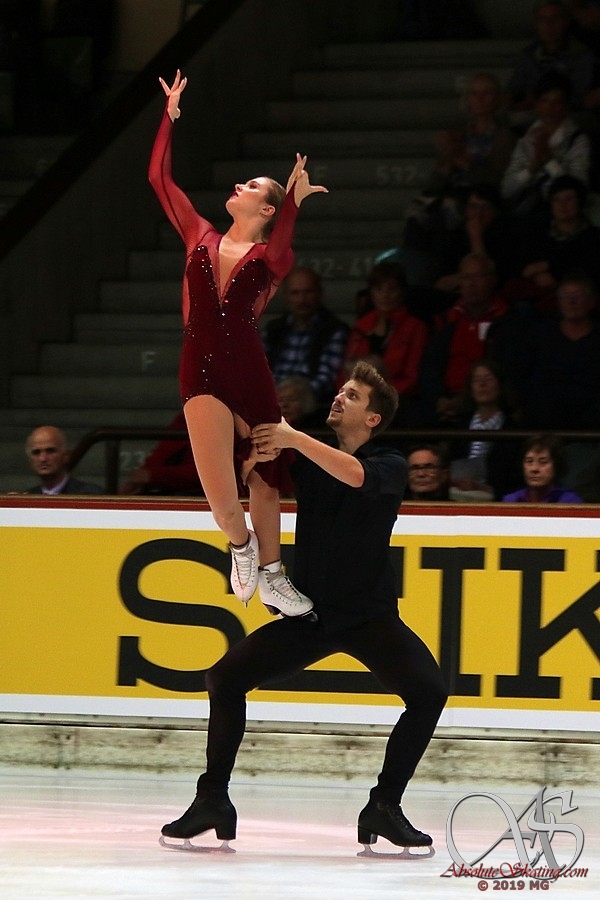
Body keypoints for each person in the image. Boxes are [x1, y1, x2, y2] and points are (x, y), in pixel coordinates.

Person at [160, 361, 448, 852]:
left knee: (429, 693)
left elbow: (354, 475)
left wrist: (293, 439)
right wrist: (252, 460)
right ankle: (212, 800)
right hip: (308, 614)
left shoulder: (390, 463)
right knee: (224, 679)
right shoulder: (307, 458)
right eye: (341, 390)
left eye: (352, 396)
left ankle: (383, 806)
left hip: (369, 618)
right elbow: (261, 483)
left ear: (373, 418)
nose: (339, 397)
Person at [148, 70, 327, 618]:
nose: (239, 186)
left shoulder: (272, 259)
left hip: (248, 370)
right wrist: (169, 118)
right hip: (199, 369)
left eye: (251, 187)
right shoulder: (198, 235)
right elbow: (159, 179)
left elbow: (285, 240)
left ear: (266, 210)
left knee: (266, 475)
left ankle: (273, 577)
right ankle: (241, 546)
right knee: (224, 500)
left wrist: (293, 201)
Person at [418, 253, 513, 425]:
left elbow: (508, 370)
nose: (471, 284)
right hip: (445, 403)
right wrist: (438, 399)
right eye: (466, 278)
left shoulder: (509, 321)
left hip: (487, 403)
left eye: (478, 277)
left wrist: (465, 400)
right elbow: (430, 368)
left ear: (492, 280)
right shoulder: (446, 321)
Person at [338, 261, 429, 425]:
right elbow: (345, 371)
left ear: (402, 292)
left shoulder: (415, 327)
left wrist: (381, 397)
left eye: (392, 289)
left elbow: (412, 377)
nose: (385, 295)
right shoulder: (361, 326)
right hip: (358, 402)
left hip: (398, 403)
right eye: (379, 289)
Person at [501, 71, 591, 221]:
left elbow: (579, 191)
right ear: (536, 104)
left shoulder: (577, 140)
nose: (550, 108)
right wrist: (532, 168)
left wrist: (549, 161)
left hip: (563, 215)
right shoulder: (526, 140)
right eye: (545, 101)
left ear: (566, 105)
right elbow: (506, 189)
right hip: (529, 215)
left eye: (557, 102)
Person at [517, 272, 600, 428]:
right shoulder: (540, 335)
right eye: (565, 296)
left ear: (591, 301)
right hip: (546, 425)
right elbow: (524, 377)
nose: (571, 301)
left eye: (578, 296)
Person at [261, 266, 349, 406]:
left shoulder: (334, 330)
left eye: (308, 292)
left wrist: (295, 397)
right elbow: (259, 370)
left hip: (312, 405)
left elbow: (327, 378)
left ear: (319, 293)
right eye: (295, 293)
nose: (302, 300)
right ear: (285, 296)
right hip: (271, 399)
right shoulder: (273, 329)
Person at [507, 0, 595, 122]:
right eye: (542, 19)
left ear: (565, 22)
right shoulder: (529, 54)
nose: (548, 24)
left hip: (567, 116)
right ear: (536, 23)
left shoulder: (581, 55)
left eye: (555, 19)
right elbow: (514, 88)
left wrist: (537, 102)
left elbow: (579, 96)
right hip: (530, 115)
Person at [448, 359, 522, 502]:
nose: (482, 385)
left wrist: (485, 489)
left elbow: (516, 483)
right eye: (477, 380)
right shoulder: (460, 427)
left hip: (498, 502)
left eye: (488, 379)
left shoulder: (513, 430)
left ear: (500, 385)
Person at [118, 411, 202, 496]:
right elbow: (164, 451)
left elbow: (202, 472)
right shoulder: (186, 417)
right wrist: (143, 476)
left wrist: (152, 475)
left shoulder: (205, 416)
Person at [502, 433, 583, 502]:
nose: (534, 469)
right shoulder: (511, 500)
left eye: (543, 462)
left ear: (556, 465)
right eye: (529, 461)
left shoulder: (570, 501)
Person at [23, 425, 103, 494]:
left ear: (66, 456)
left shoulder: (91, 495)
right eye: (36, 452)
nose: (43, 458)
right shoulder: (26, 498)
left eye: (50, 451)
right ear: (30, 460)